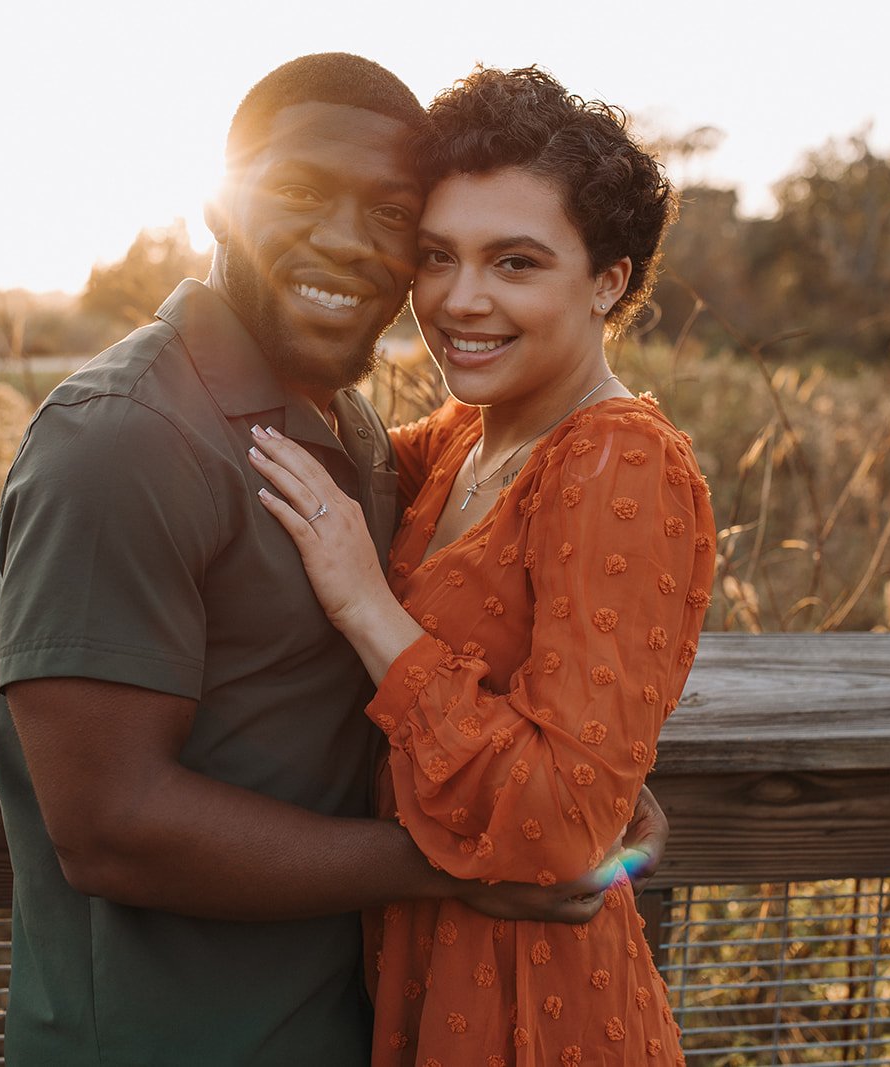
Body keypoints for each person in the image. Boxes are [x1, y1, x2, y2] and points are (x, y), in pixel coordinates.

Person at [0, 54, 668, 1066]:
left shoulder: (353, 432)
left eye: (392, 216)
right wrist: (452, 866)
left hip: (349, 1022)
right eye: (300, 195)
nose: (346, 242)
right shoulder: (122, 438)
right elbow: (109, 824)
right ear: (221, 206)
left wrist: (592, 793)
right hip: (161, 1039)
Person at [249, 66, 716, 1065]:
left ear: (608, 279)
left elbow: (561, 827)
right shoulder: (465, 435)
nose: (460, 301)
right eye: (436, 257)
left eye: (514, 263)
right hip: (423, 974)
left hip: (538, 1009)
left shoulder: (618, 459)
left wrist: (368, 609)